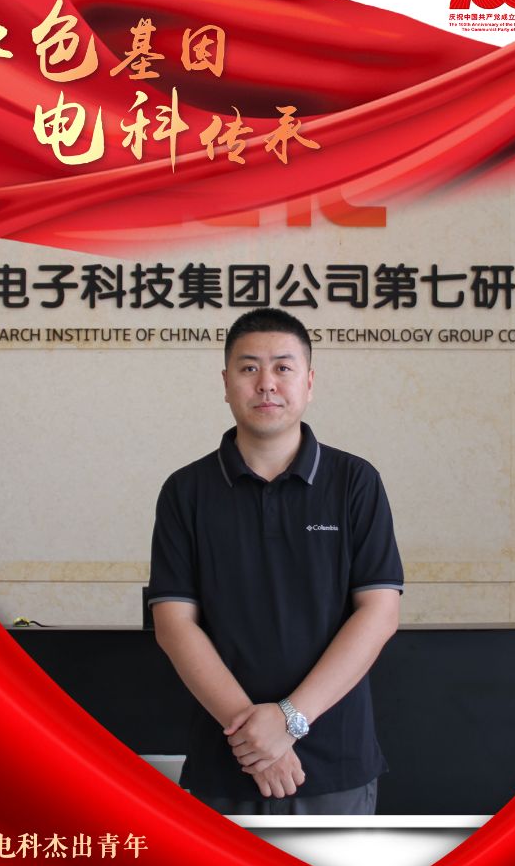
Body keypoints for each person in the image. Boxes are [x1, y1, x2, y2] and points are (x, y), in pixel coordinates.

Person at [147, 307, 403, 815]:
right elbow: (174, 624)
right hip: (227, 759)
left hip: (335, 762)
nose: (267, 383)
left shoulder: (354, 482)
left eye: (283, 368)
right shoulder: (186, 490)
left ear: (309, 382)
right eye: (249, 368)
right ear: (225, 383)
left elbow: (379, 613)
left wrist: (288, 720)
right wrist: (255, 737)